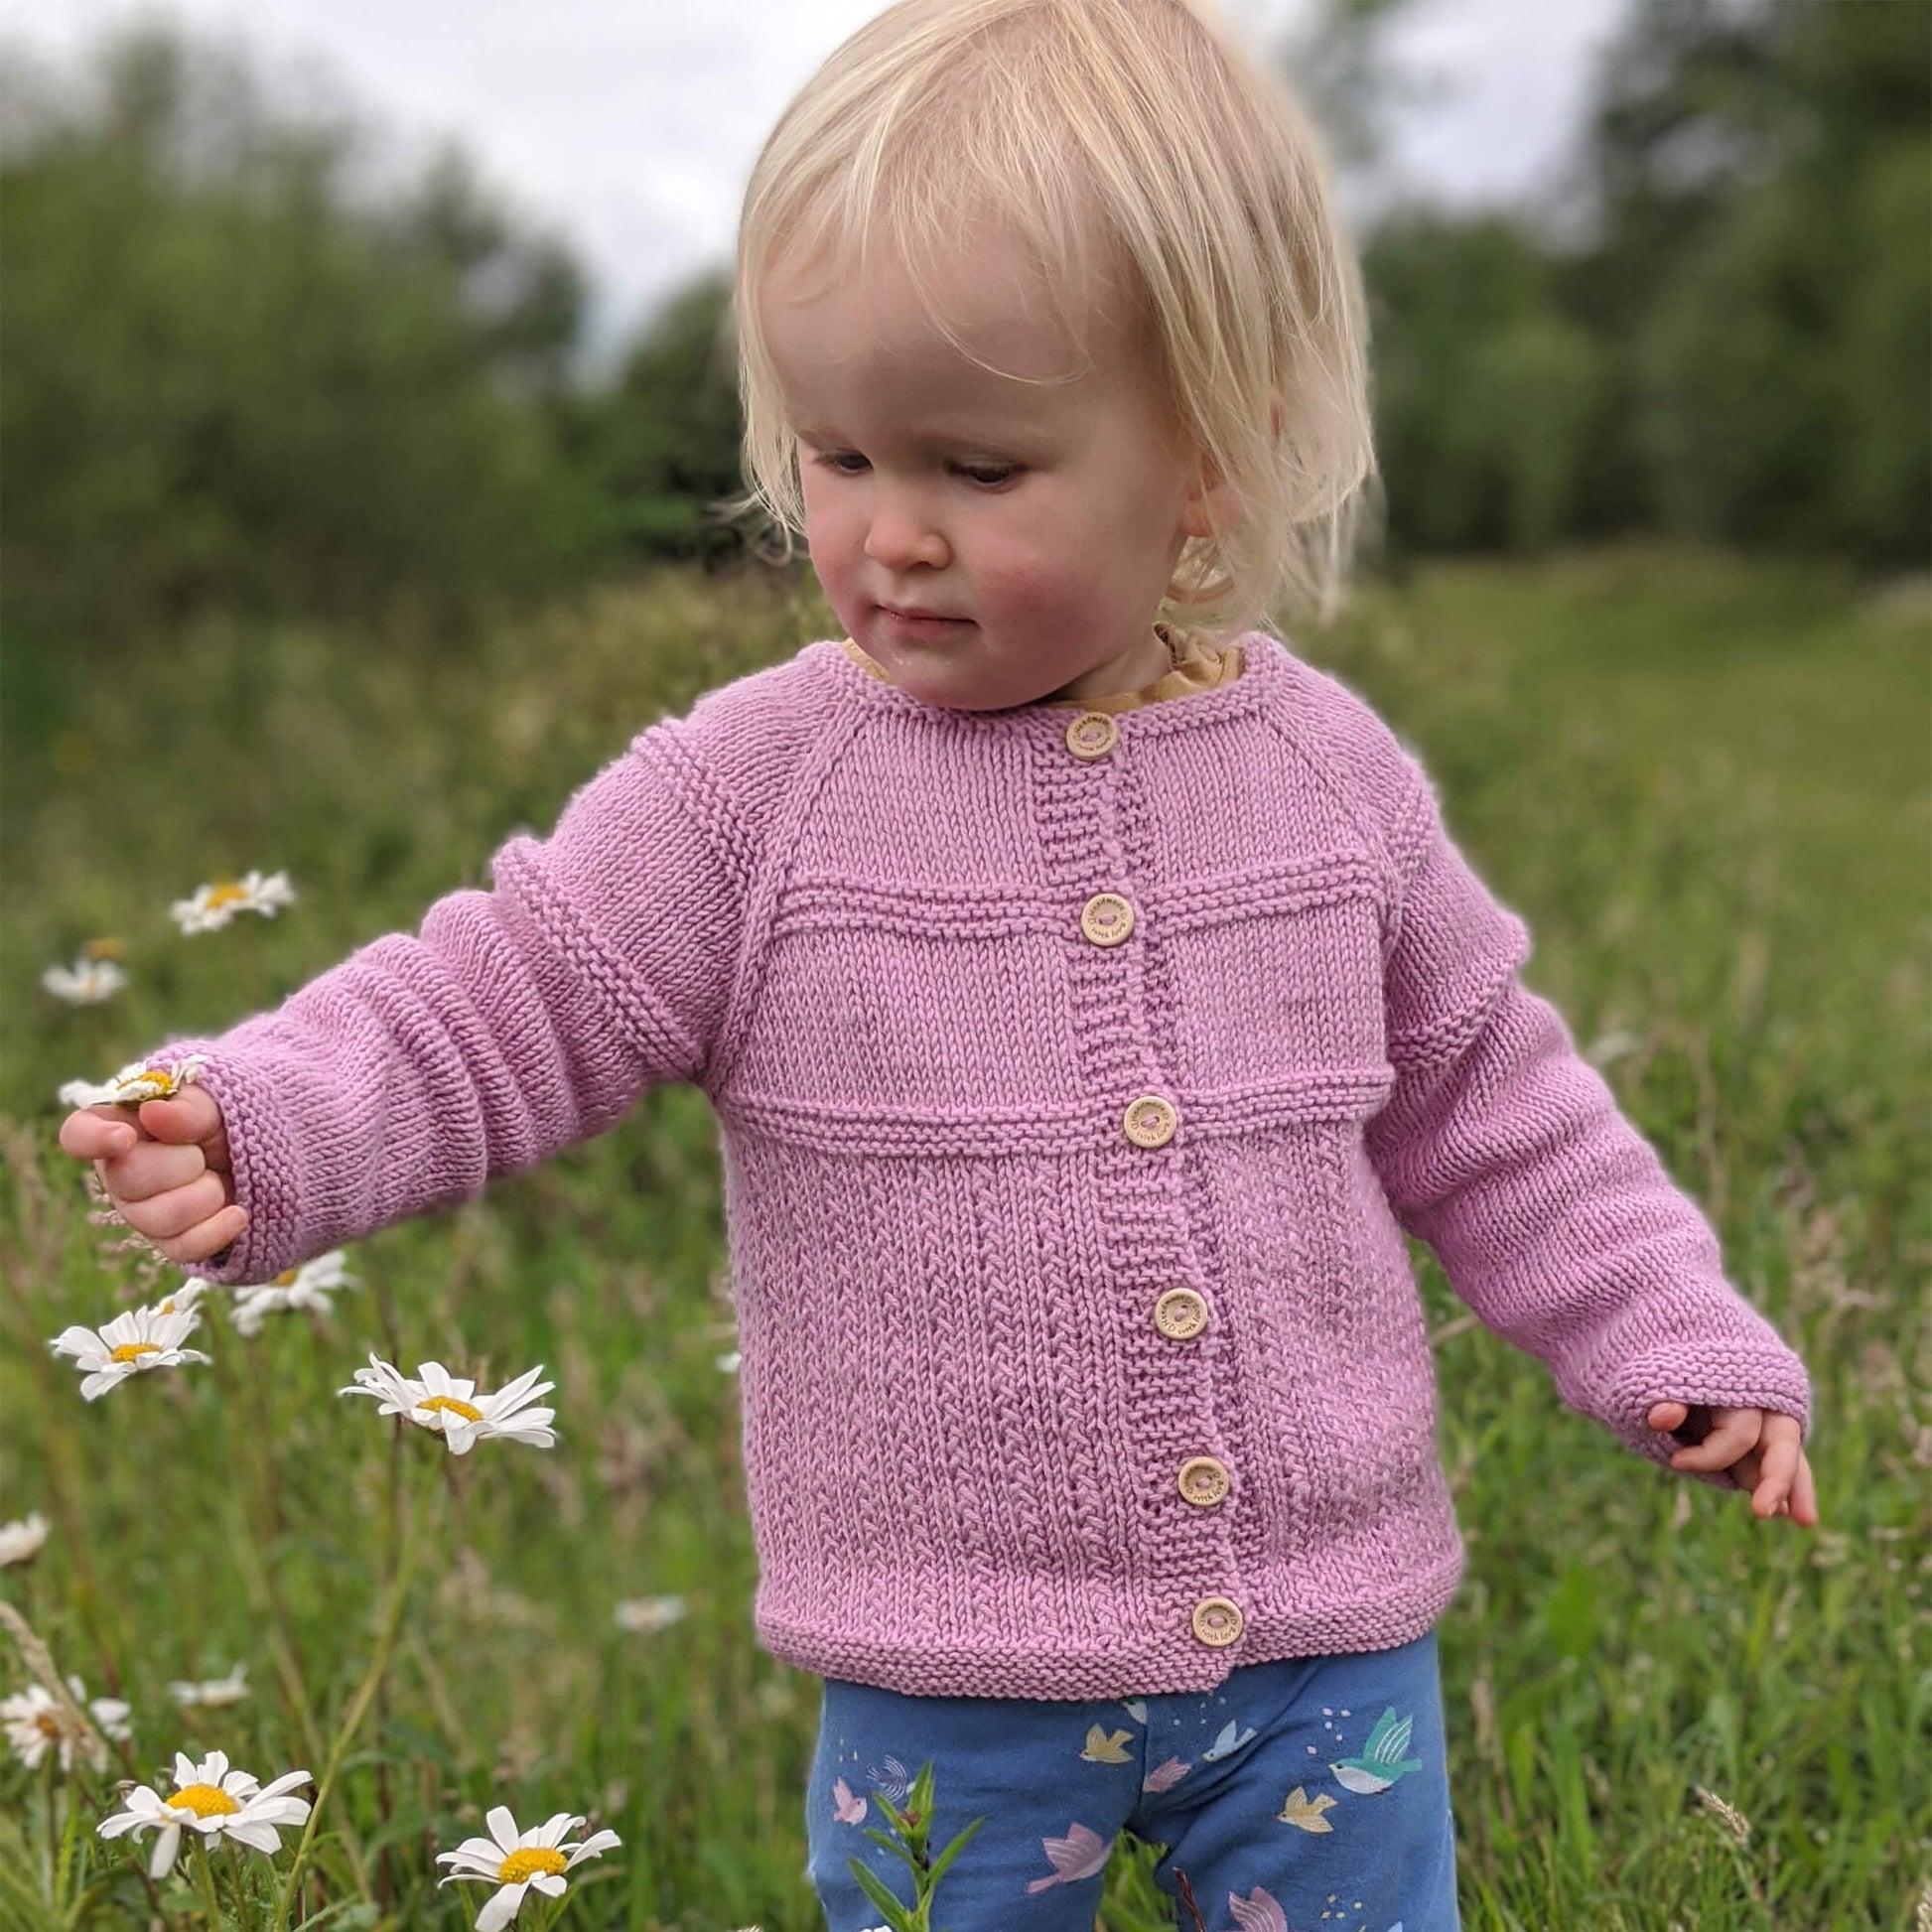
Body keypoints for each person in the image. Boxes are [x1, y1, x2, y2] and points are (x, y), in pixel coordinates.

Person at [58, 0, 1817, 1924]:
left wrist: (1661, 1332)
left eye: (980, 469)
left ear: (1210, 458)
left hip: (1324, 1666)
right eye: (837, 453)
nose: (890, 535)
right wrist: (270, 1120)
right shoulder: (754, 794)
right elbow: (502, 997)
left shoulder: (1328, 783)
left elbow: (1499, 1100)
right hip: (950, 1682)